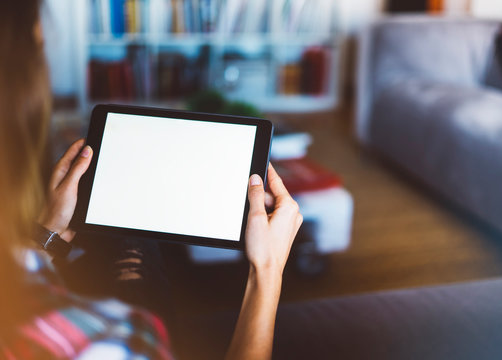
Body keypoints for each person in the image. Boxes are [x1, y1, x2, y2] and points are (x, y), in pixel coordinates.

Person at [0, 1, 303, 359]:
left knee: (116, 222)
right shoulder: (114, 339)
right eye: (40, 49)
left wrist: (45, 237)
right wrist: (267, 272)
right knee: (131, 235)